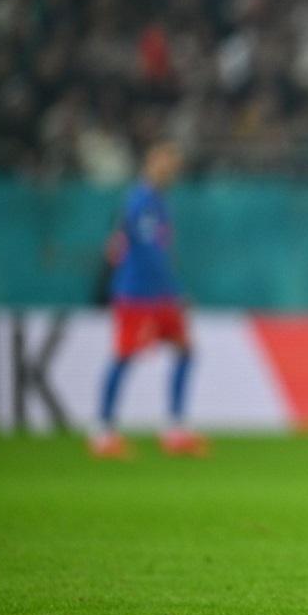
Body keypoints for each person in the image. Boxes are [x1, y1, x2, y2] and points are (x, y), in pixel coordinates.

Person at [87, 141, 210, 460]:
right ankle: (103, 433)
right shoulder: (141, 201)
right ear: (151, 164)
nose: (171, 171)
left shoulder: (157, 200)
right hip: (138, 294)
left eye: (174, 166)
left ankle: (175, 430)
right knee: (124, 356)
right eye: (165, 164)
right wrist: (174, 290)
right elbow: (147, 251)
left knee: (185, 351)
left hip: (160, 294)